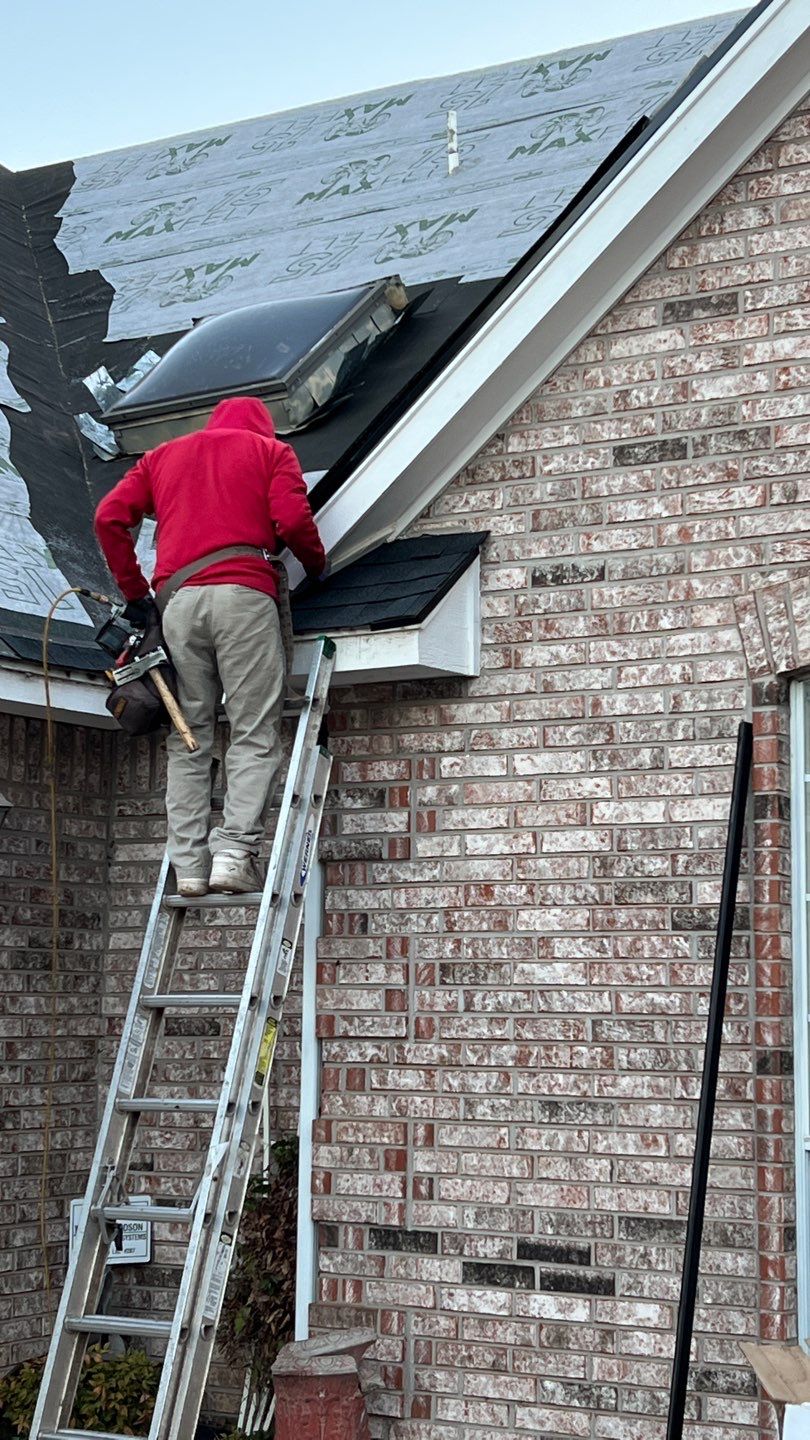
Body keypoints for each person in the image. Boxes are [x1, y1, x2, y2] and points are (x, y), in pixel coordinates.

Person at [94, 395, 327, 897]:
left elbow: (109, 518)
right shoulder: (271, 453)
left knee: (189, 734)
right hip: (244, 599)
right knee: (252, 728)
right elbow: (291, 517)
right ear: (263, 430)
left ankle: (190, 868)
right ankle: (234, 854)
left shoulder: (160, 457)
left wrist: (136, 594)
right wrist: (316, 565)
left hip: (176, 605)